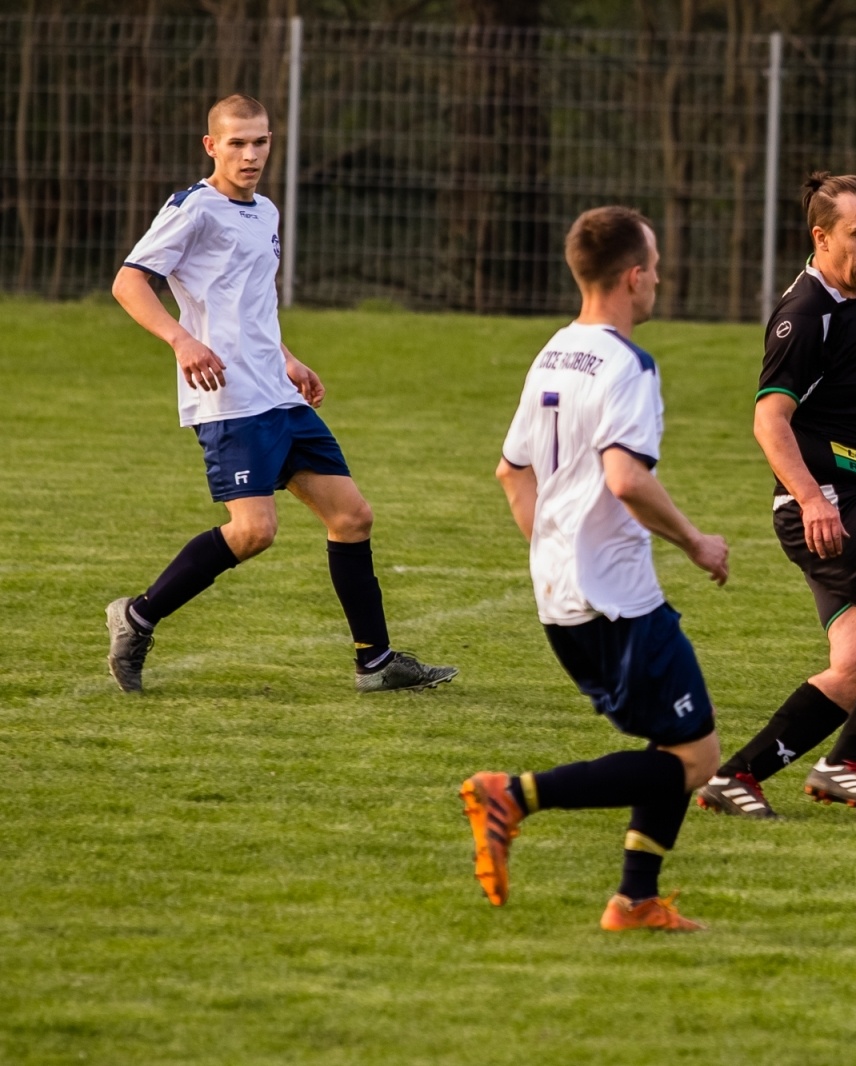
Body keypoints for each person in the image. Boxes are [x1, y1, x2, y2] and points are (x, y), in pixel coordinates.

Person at [106, 94, 456, 692]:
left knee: (352, 517)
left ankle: (375, 662)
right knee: (253, 532)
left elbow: (251, 305)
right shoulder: (194, 209)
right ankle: (137, 615)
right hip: (231, 400)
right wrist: (180, 341)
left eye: (260, 141)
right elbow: (129, 281)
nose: (250, 154)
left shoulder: (264, 211)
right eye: (237, 143)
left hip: (278, 393)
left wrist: (289, 359)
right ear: (211, 146)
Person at [459, 206, 729, 932]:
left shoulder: (553, 351)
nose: (661, 281)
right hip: (617, 599)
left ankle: (635, 900)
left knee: (676, 743)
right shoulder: (628, 365)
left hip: (561, 595)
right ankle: (511, 795)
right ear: (634, 277)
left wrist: (552, 550)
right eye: (658, 269)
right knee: (698, 758)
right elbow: (627, 479)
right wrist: (698, 542)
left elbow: (512, 475)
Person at [695, 172, 856, 823]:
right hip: (834, 508)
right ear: (822, 236)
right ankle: (847, 762)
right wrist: (814, 501)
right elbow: (769, 421)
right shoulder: (805, 316)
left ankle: (736, 779)